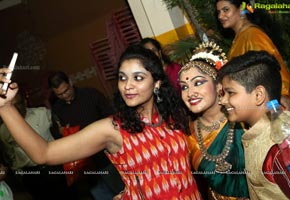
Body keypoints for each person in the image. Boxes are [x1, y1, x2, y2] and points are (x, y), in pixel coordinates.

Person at [0, 45, 202, 200]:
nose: (128, 86)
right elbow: (43, 153)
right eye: (122, 78)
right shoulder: (113, 129)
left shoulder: (176, 118)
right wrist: (6, 108)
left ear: (156, 83)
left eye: (138, 78)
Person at [218, 50, 290, 199]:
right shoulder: (257, 134)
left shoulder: (279, 147)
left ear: (258, 95)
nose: (222, 101)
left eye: (230, 93)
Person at [178, 41, 249, 199]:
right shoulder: (186, 135)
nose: (190, 93)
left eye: (198, 83)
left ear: (218, 86)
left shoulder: (244, 118)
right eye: (184, 87)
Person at [47, 71, 124, 200]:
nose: (65, 96)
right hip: (83, 164)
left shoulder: (91, 94)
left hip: (106, 157)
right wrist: (60, 132)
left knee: (121, 191)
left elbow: (111, 118)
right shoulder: (57, 108)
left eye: (66, 91)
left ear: (71, 82)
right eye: (59, 94)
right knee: (100, 194)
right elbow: (56, 134)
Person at [216, 0, 290, 104]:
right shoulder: (241, 37)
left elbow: (273, 69)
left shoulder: (253, 35)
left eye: (225, 10)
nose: (220, 16)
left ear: (241, 8)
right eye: (219, 12)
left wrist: (278, 99)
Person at [0, 91, 73, 200]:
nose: (16, 108)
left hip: (54, 167)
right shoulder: (3, 130)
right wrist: (19, 173)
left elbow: (58, 133)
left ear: (24, 102)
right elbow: (10, 154)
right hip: (31, 174)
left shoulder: (42, 113)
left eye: (18, 104)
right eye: (11, 105)